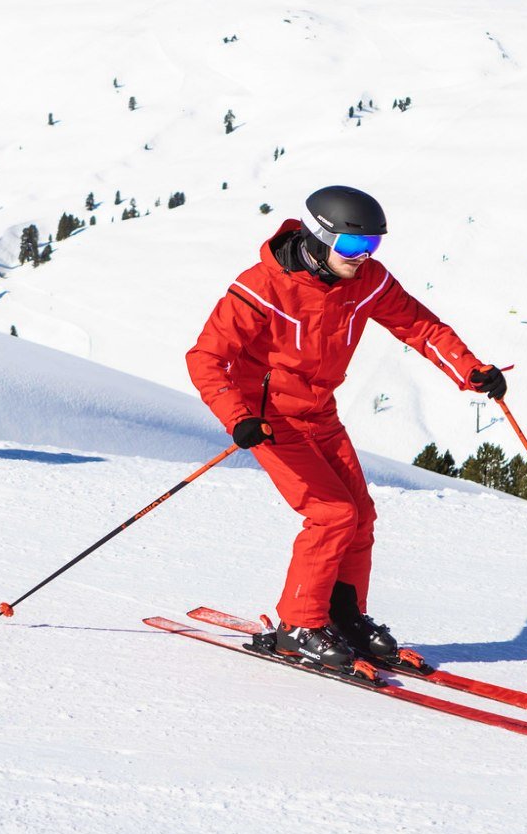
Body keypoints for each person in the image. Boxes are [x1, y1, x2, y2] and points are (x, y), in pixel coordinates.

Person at [186, 185, 507, 670]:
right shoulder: (261, 288)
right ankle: (297, 626)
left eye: (373, 246)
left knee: (360, 514)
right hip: (269, 420)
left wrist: (470, 370)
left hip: (320, 413)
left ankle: (343, 616)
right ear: (318, 239)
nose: (364, 258)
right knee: (331, 514)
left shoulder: (366, 281)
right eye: (354, 247)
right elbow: (206, 357)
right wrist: (239, 416)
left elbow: (419, 326)